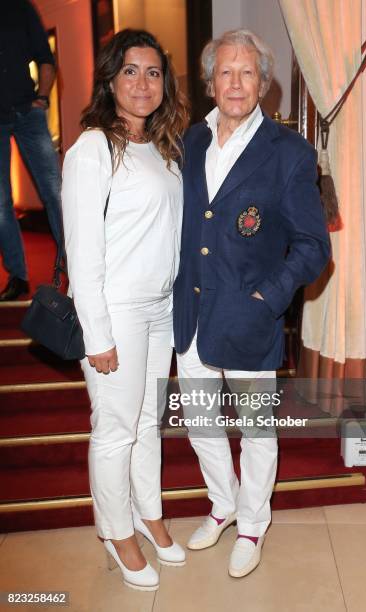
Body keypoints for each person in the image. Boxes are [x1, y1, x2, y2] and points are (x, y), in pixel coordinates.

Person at [173, 29, 331, 578]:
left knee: (257, 428)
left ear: (263, 83)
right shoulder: (191, 141)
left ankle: (252, 524)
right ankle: (222, 503)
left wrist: (269, 296)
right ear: (210, 81)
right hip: (191, 314)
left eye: (247, 73)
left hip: (249, 318)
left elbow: (313, 246)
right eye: (225, 72)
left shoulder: (288, 153)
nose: (235, 82)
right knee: (200, 421)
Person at [61, 29, 189, 591]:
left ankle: (149, 513)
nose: (143, 83)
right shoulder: (92, 148)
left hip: (160, 308)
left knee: (147, 424)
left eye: (154, 72)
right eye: (131, 71)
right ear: (111, 79)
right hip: (116, 309)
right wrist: (98, 335)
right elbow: (82, 251)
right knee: (114, 428)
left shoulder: (162, 147)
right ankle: (117, 533)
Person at [0, 0, 63, 301]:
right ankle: (18, 275)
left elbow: (45, 57)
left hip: (28, 113)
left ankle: (74, 266)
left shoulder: (22, 8)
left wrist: (43, 99)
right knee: (1, 202)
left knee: (54, 192)